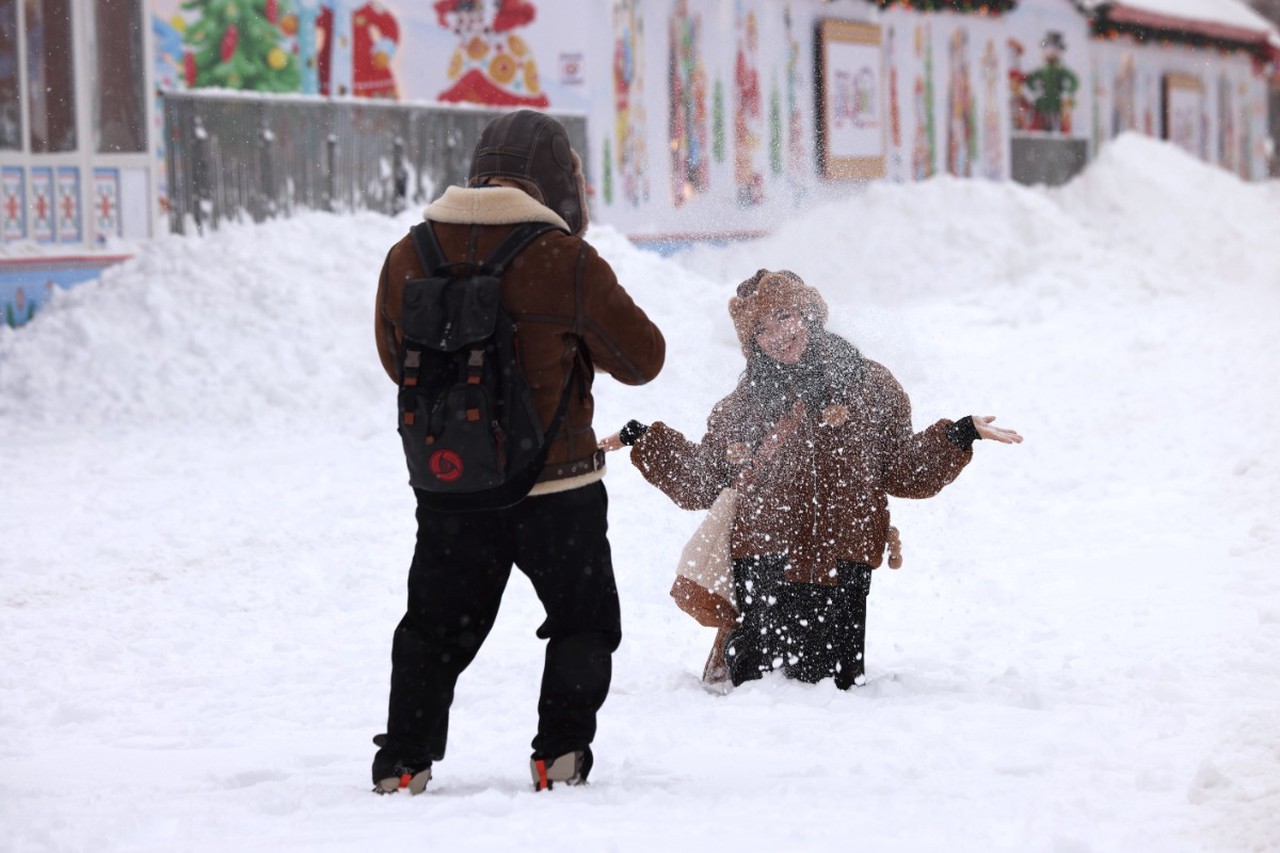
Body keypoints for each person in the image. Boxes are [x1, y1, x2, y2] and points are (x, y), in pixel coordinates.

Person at [371, 110, 665, 794]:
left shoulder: (409, 253)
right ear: (559, 180)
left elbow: (396, 359)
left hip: (453, 488)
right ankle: (558, 754)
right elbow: (643, 358)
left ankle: (404, 761)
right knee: (583, 619)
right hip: (558, 487)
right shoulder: (565, 259)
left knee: (434, 626)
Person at [601, 269, 1019, 690]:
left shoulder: (873, 388)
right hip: (764, 568)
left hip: (844, 565)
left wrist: (961, 433)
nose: (777, 335)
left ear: (808, 312)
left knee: (834, 697)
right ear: (752, 344)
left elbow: (902, 470)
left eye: (783, 316)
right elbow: (702, 481)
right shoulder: (741, 408)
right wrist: (646, 440)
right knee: (757, 701)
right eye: (761, 330)